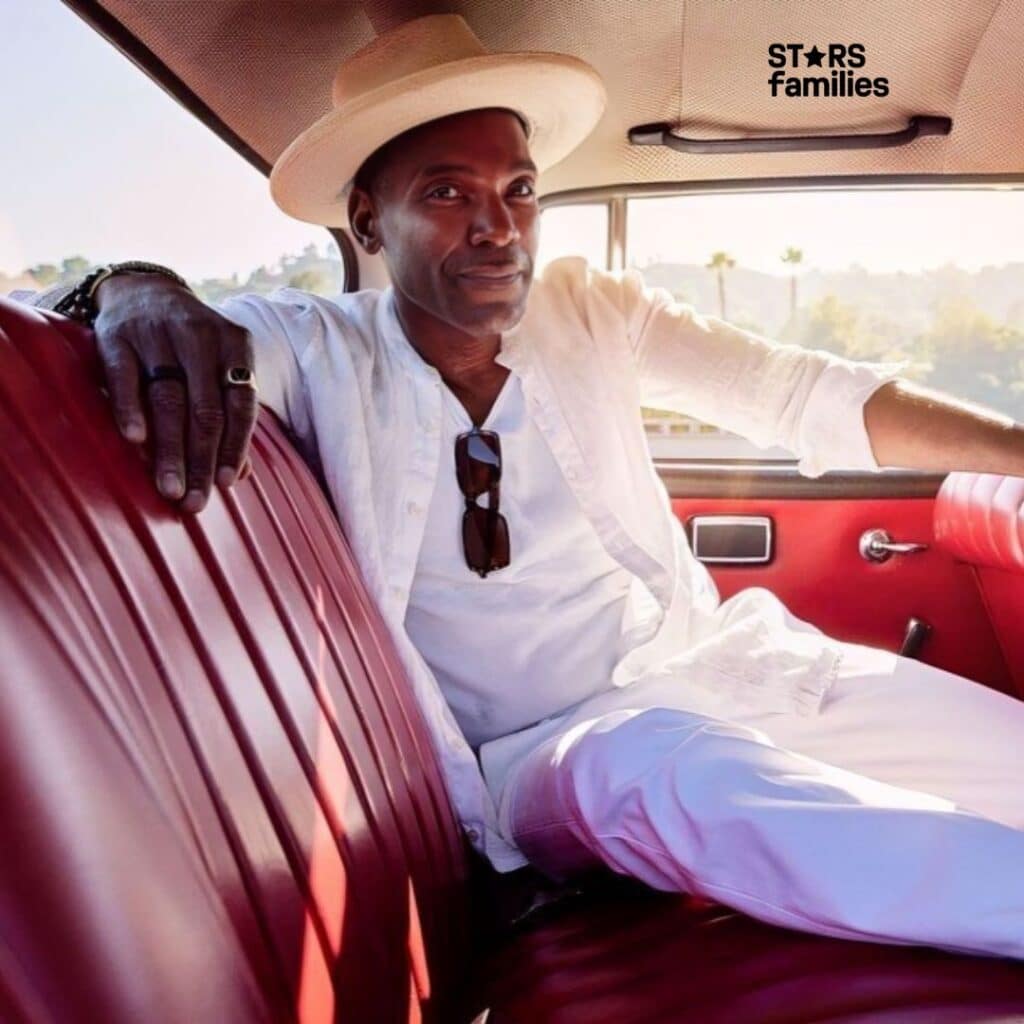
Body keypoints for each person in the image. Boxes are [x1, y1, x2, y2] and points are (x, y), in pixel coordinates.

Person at [36, 14, 1024, 959]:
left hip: (729, 667)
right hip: (553, 754)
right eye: (446, 194)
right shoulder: (312, 345)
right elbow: (115, 323)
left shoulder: (589, 311)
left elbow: (805, 393)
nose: (498, 228)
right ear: (366, 220)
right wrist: (134, 280)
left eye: (518, 190)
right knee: (669, 771)